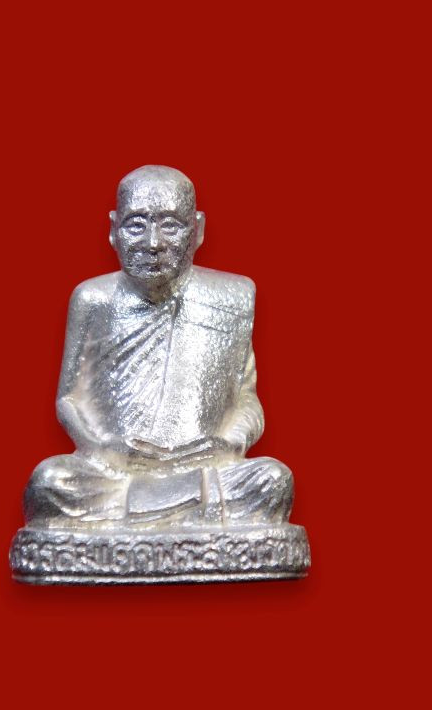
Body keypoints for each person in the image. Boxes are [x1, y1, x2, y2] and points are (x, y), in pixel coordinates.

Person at [24, 165, 293, 528]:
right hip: (115, 473)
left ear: (197, 229)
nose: (153, 244)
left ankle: (144, 513)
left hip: (202, 469)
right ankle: (171, 511)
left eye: (170, 225)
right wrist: (103, 448)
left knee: (272, 481)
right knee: (49, 483)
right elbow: (69, 400)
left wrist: (228, 443)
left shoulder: (233, 296)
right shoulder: (93, 299)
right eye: (136, 225)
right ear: (113, 230)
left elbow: (246, 400)